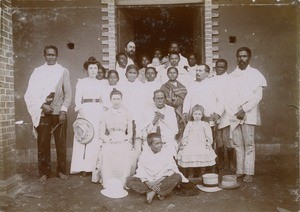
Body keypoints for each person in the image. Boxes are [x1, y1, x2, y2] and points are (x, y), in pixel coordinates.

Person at [24, 45, 72, 183]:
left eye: (53, 55)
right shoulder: (38, 71)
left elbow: (68, 93)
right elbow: (31, 92)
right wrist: (42, 105)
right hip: (44, 113)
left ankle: (61, 171)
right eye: (48, 54)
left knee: (61, 143)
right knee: (43, 143)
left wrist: (63, 110)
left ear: (57, 56)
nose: (51, 57)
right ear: (44, 55)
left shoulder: (63, 71)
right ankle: (44, 172)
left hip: (59, 113)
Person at [225, 47, 267, 183]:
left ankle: (249, 172)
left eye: (244, 56)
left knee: (249, 144)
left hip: (248, 114)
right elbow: (228, 96)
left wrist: (244, 109)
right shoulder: (232, 76)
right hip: (234, 114)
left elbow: (257, 96)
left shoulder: (256, 74)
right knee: (237, 144)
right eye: (239, 56)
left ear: (249, 57)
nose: (241, 59)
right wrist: (234, 112)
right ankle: (240, 171)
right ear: (236, 58)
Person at [126, 133, 188, 204]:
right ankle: (158, 192)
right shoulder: (144, 154)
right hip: (148, 181)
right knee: (129, 181)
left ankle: (152, 192)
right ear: (150, 145)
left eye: (161, 142)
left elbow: (171, 169)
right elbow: (141, 171)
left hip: (162, 180)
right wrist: (149, 184)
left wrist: (157, 182)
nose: (160, 145)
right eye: (157, 143)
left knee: (177, 177)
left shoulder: (166, 153)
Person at [70, 57, 105, 176]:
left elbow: (104, 101)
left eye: (95, 68)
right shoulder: (81, 82)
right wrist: (82, 114)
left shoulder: (101, 83)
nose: (93, 71)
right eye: (91, 68)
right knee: (84, 138)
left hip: (97, 111)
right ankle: (82, 167)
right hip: (85, 111)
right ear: (87, 69)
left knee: (95, 139)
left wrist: (103, 114)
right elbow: (77, 99)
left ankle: (92, 167)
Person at [92, 89, 135, 187]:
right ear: (110, 100)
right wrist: (109, 139)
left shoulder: (127, 112)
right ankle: (109, 180)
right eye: (114, 99)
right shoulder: (106, 114)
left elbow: (130, 132)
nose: (116, 101)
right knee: (106, 152)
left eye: (118, 99)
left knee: (126, 152)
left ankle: (123, 180)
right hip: (110, 139)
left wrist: (124, 138)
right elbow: (101, 133)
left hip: (123, 139)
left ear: (121, 100)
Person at [177, 105, 217, 178]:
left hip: (202, 144)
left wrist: (208, 143)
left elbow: (208, 136)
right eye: (195, 114)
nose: (197, 116)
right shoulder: (190, 124)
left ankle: (202, 171)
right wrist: (184, 144)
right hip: (191, 144)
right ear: (192, 114)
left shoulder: (205, 124)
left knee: (204, 152)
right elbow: (185, 135)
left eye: (199, 114)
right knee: (187, 152)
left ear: (202, 115)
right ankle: (190, 171)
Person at [141, 90, 178, 157]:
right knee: (147, 150)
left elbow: (175, 128)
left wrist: (163, 117)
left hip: (167, 138)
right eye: (157, 98)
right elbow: (145, 131)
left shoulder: (170, 110)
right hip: (152, 139)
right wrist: (154, 121)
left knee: (171, 149)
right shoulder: (148, 110)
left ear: (165, 99)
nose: (160, 100)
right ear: (154, 99)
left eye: (162, 98)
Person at [213, 59, 235, 171]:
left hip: (226, 113)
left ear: (226, 68)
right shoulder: (212, 79)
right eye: (218, 67)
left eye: (222, 67)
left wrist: (220, 112)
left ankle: (231, 163)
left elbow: (227, 98)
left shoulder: (229, 79)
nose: (219, 69)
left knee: (228, 139)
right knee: (218, 140)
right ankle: (221, 162)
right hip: (215, 113)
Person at [160, 67, 187, 140]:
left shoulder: (182, 86)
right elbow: (164, 99)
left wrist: (175, 100)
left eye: (174, 73)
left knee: (181, 129)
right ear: (167, 74)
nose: (172, 75)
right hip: (169, 111)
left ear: (177, 74)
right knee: (171, 129)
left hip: (180, 110)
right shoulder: (164, 86)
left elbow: (186, 98)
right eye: (170, 73)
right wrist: (173, 101)